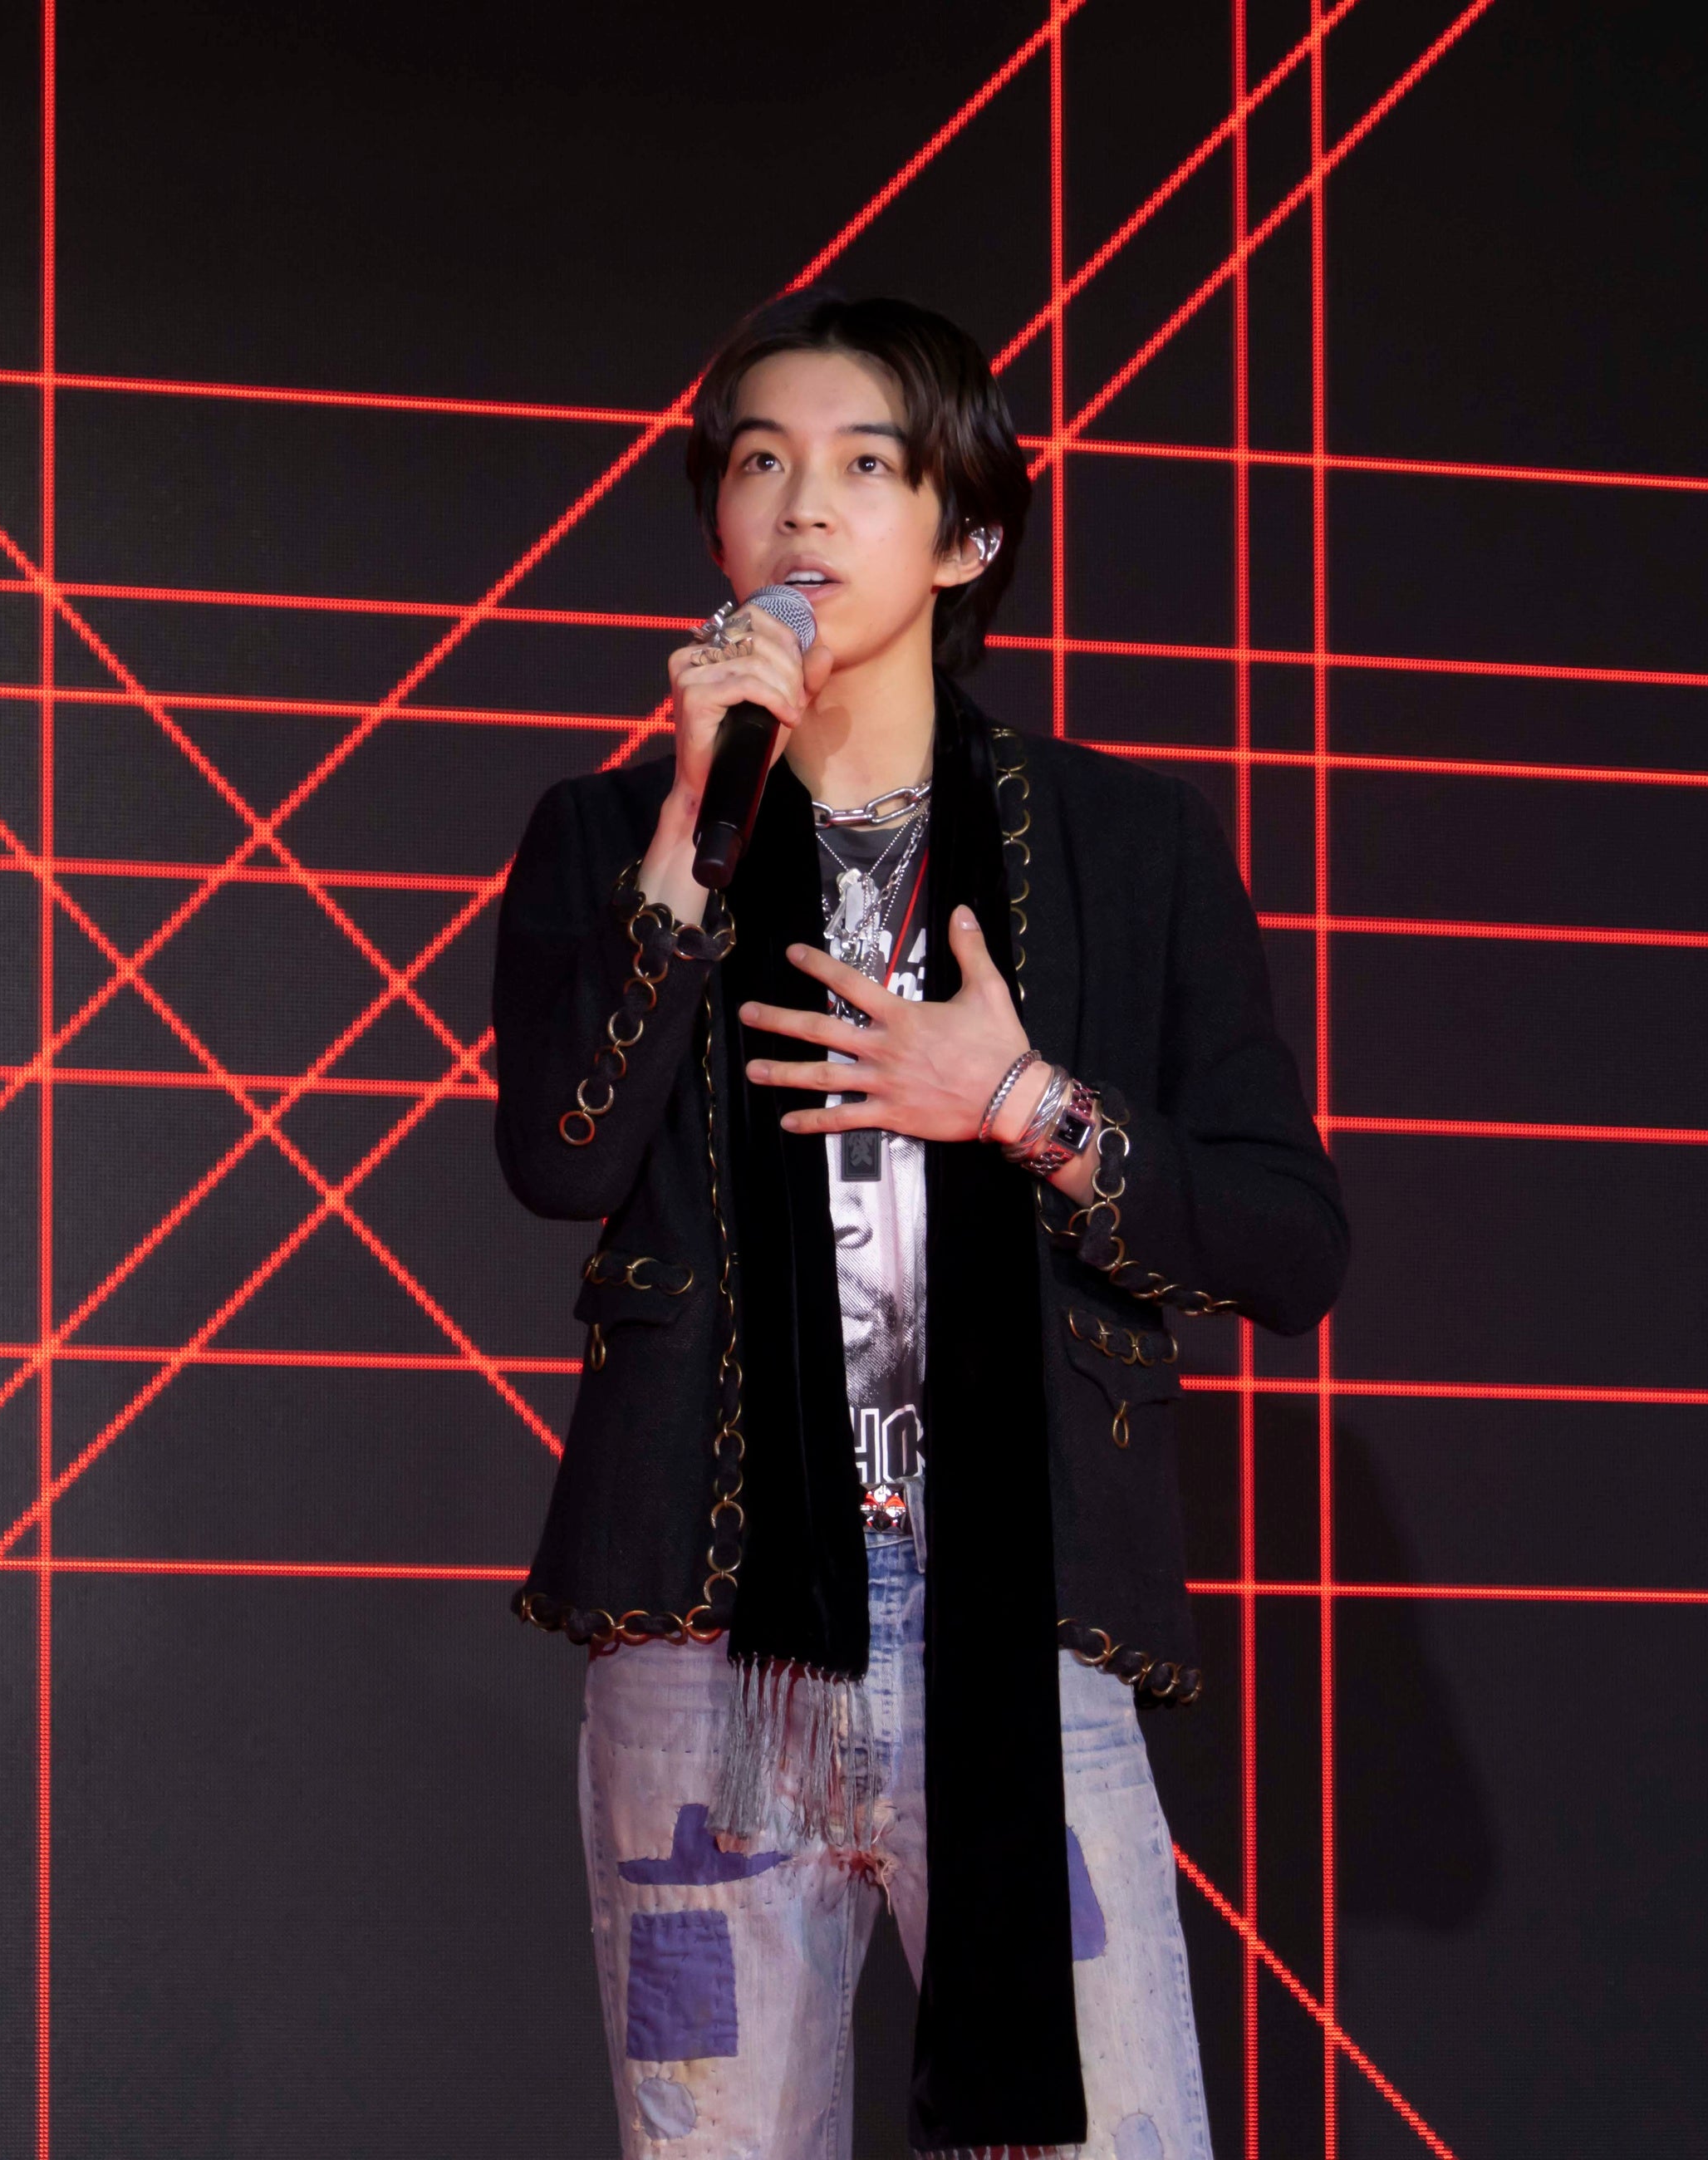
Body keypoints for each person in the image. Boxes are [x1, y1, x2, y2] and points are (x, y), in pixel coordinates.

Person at [493, 290, 1346, 2160]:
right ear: (717, 524)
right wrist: (688, 835)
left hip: (1016, 1636)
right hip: (706, 1651)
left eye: (866, 465)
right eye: (761, 463)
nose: (803, 504)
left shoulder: (1125, 850)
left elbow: (1289, 1242)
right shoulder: (607, 834)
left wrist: (1023, 1103)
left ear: (967, 537)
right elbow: (560, 1158)